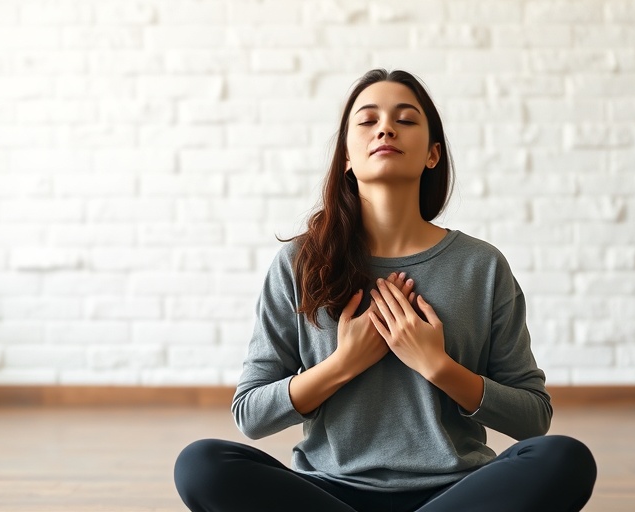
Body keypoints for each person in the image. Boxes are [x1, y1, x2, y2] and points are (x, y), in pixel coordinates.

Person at [174, 69, 597, 512]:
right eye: (368, 119)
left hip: (456, 494)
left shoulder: (481, 266)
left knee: (564, 458)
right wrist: (342, 365)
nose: (386, 128)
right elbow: (251, 415)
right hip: (328, 493)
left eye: (406, 119)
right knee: (202, 463)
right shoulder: (299, 263)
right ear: (347, 157)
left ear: (433, 154)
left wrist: (437, 366)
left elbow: (533, 418)